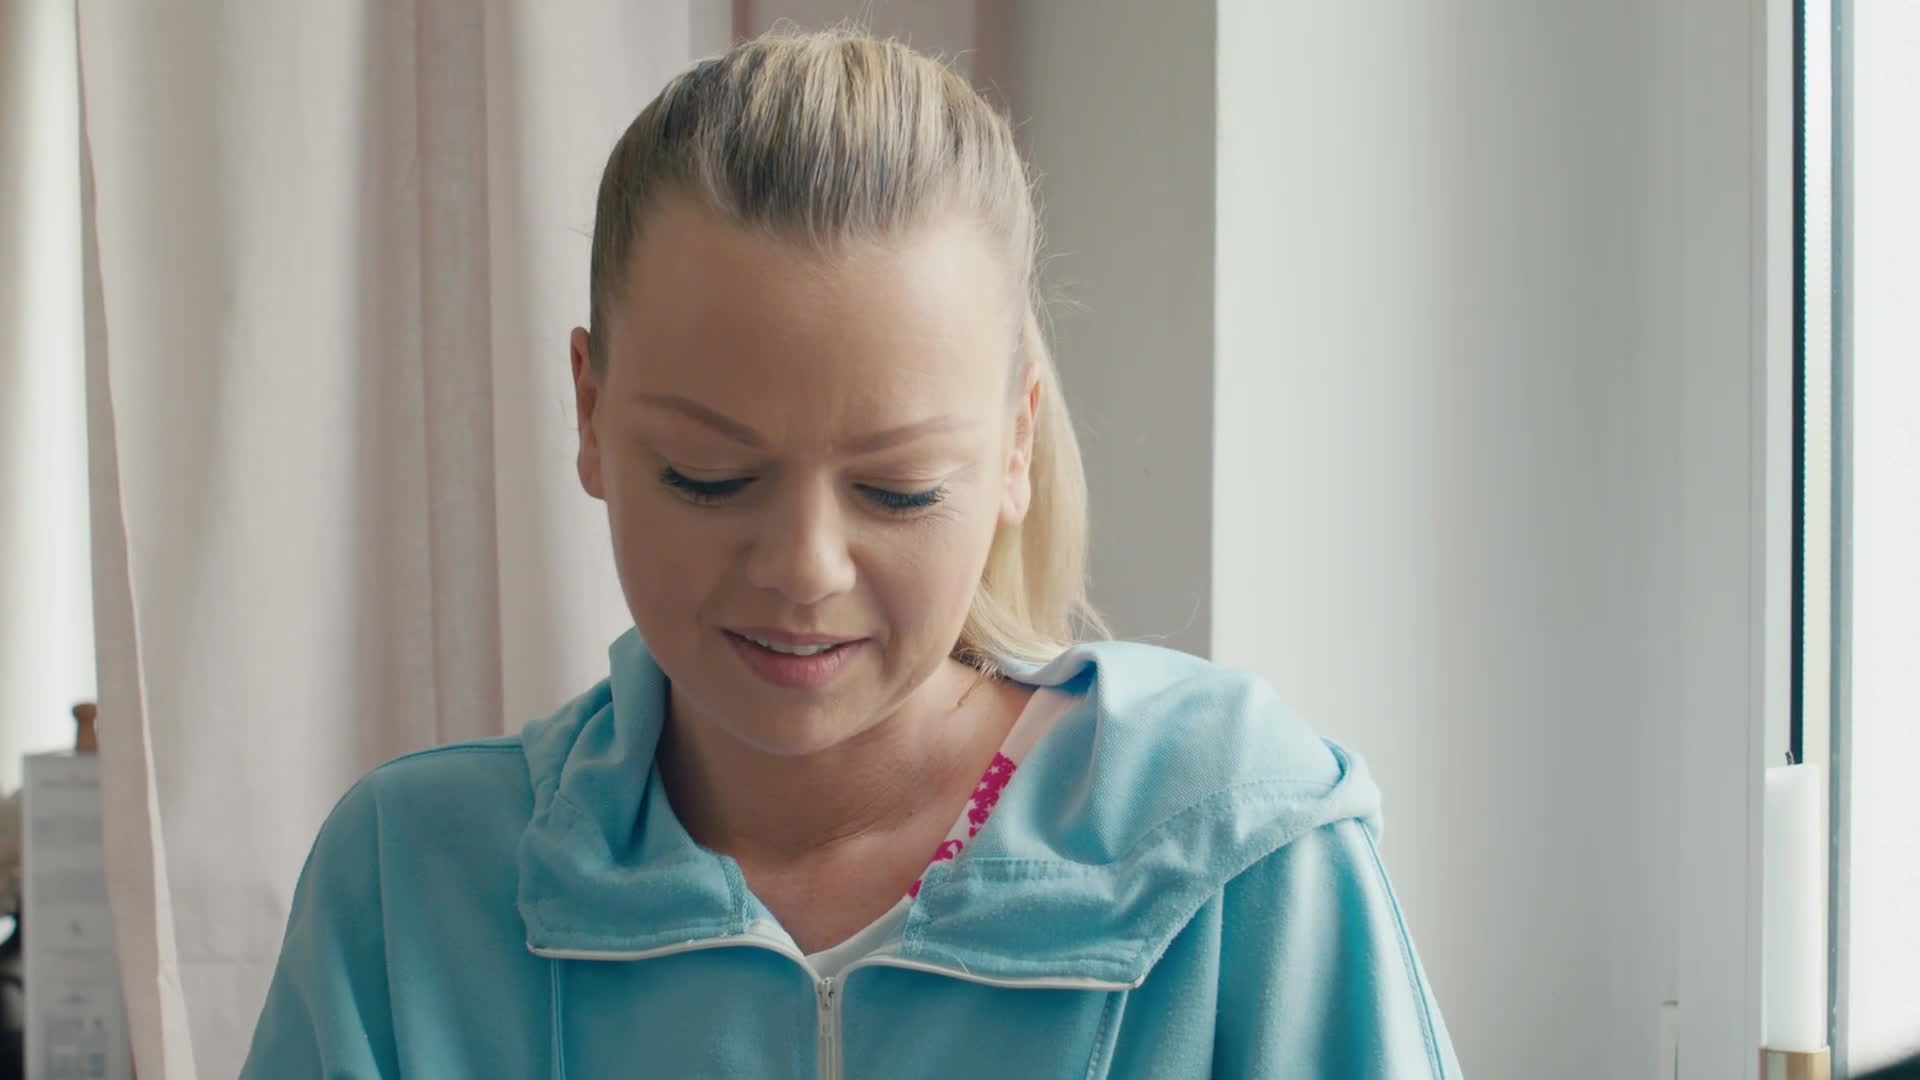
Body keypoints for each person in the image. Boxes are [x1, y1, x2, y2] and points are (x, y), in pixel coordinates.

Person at [242, 28, 1460, 1078]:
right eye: (709, 475)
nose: (804, 568)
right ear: (591, 411)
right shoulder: (409, 889)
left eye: (897, 488)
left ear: (1016, 443)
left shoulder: (1238, 849)